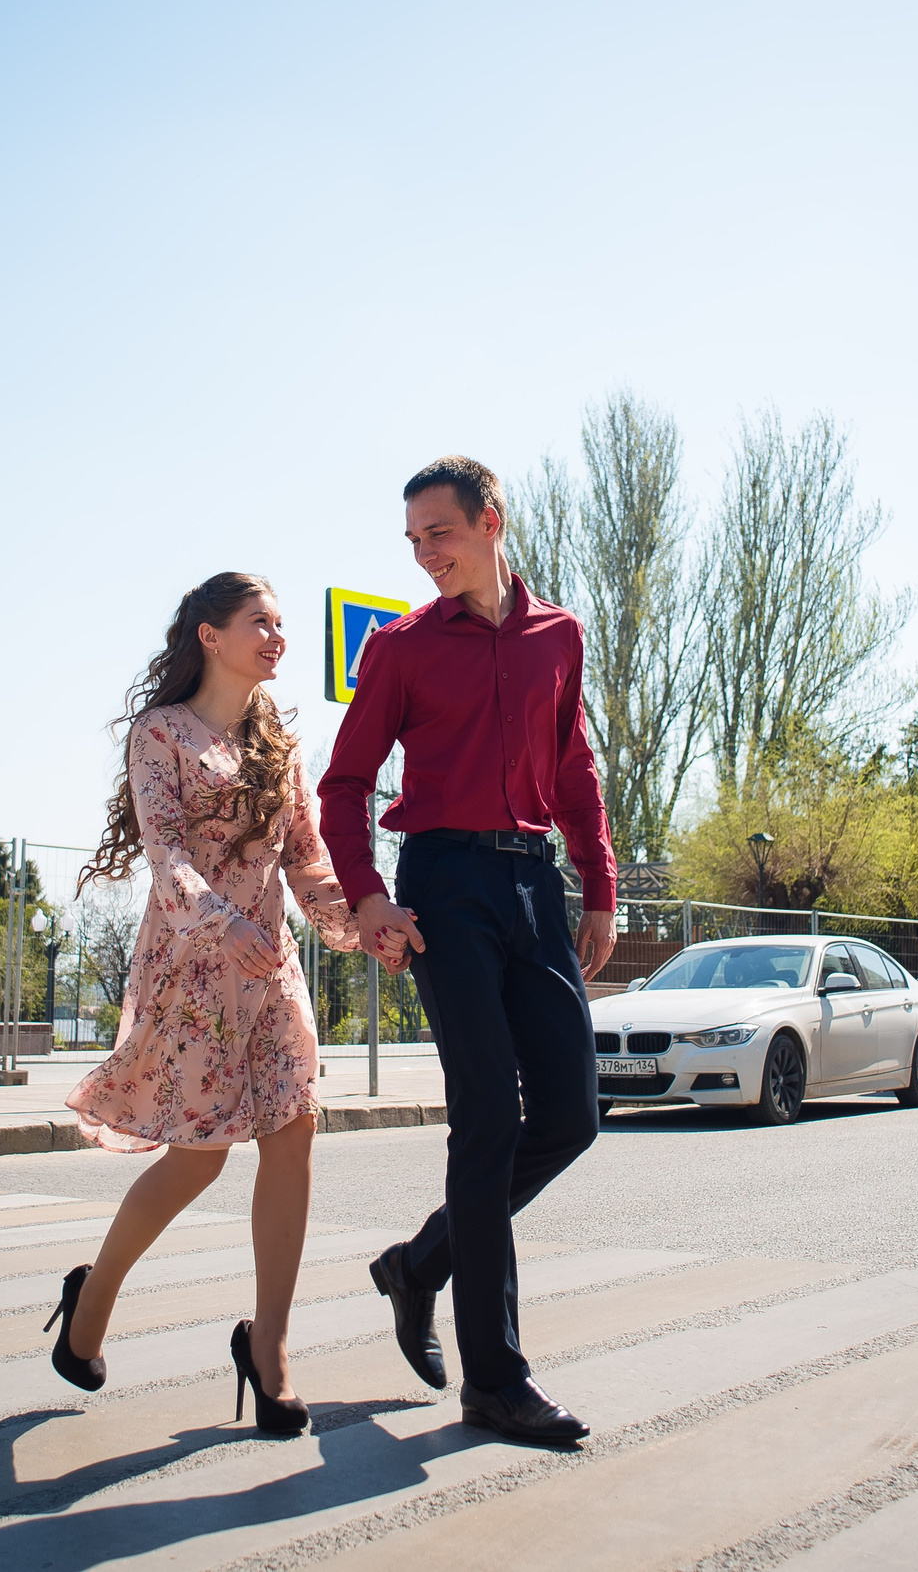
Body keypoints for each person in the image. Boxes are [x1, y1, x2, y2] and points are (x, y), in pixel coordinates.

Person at [320, 455, 619, 1447]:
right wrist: (367, 898)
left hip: (534, 880)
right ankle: (495, 1379)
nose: (424, 553)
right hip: (443, 883)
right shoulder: (401, 648)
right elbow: (345, 783)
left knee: (571, 1113)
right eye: (412, 540)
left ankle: (418, 1263)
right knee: (486, 1117)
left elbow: (574, 764)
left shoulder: (558, 634)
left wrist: (599, 884)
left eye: (438, 532)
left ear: (490, 522)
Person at [48, 573, 364, 1436]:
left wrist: (359, 922)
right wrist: (219, 923)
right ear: (209, 634)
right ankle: (92, 1298)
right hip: (194, 966)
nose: (278, 637)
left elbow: (309, 862)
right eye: (261, 622)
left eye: (281, 624)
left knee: (292, 1136)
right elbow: (168, 855)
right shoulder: (161, 735)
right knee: (201, 1155)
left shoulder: (280, 746)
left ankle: (270, 1350)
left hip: (270, 971)